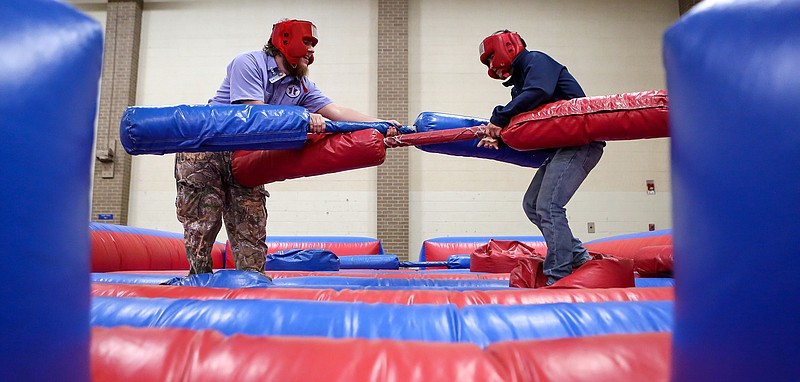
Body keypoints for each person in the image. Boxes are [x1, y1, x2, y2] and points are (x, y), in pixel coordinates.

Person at [175, 19, 400, 275]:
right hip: (207, 150)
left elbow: (336, 112)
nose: (312, 51)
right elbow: (252, 111)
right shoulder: (248, 63)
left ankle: (253, 285)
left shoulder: (300, 85)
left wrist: (381, 124)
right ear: (284, 40)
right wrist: (302, 116)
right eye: (307, 42)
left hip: (246, 153)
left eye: (313, 45)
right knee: (203, 224)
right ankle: (198, 285)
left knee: (251, 225)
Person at [476, 30, 605, 285]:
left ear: (508, 47)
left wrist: (499, 117)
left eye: (491, 58)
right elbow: (521, 117)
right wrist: (498, 135)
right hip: (562, 147)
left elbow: (539, 91)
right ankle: (579, 257)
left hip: (581, 142)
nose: (492, 66)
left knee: (549, 206)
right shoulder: (520, 87)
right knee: (532, 204)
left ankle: (558, 277)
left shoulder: (537, 61)